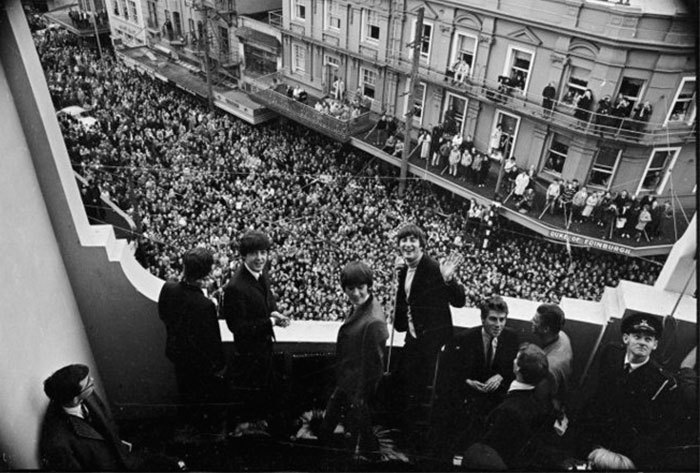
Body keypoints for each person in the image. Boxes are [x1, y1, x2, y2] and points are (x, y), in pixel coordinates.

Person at [576, 312, 678, 469]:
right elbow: (594, 390)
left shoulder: (661, 382)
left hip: (620, 445)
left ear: (655, 345)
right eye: (637, 337)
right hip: (591, 430)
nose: (642, 343)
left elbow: (652, 428)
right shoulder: (611, 353)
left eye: (648, 339)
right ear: (626, 339)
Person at [40, 364, 185, 471]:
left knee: (173, 463)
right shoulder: (58, 442)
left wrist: (117, 441)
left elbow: (106, 421)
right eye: (88, 383)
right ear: (75, 398)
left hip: (122, 455)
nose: (92, 381)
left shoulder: (86, 394)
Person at [393, 224, 465, 434]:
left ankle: (415, 437)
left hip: (432, 345)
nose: (408, 244)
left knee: (421, 392)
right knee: (405, 386)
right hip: (413, 338)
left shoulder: (434, 268)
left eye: (412, 240)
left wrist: (449, 279)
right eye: (403, 240)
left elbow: (459, 301)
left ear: (422, 244)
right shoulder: (405, 268)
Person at [429, 296, 520, 459]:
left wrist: (500, 376)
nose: (498, 325)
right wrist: (467, 382)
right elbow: (447, 371)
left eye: (502, 319)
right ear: (482, 319)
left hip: (495, 402)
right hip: (467, 400)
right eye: (493, 319)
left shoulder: (512, 338)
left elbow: (513, 367)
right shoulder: (463, 339)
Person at [222, 231, 290, 432]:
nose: (260, 258)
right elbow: (237, 327)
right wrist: (270, 322)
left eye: (263, 252)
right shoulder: (235, 287)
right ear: (244, 256)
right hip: (249, 355)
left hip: (263, 350)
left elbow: (267, 297)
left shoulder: (260, 272)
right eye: (254, 253)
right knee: (250, 398)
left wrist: (275, 311)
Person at [320, 261, 389, 459]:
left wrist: (360, 395)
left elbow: (375, 366)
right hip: (348, 380)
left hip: (357, 387)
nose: (356, 293)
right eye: (350, 288)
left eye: (361, 287)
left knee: (356, 433)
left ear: (369, 286)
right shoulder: (364, 306)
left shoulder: (373, 321)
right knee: (352, 426)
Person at [158, 247, 226, 433]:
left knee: (185, 392)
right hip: (200, 363)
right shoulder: (205, 305)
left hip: (177, 353)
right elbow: (212, 341)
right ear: (207, 273)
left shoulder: (168, 287)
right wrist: (220, 365)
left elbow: (163, 314)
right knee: (202, 397)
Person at [466, 343, 553, 469]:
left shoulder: (507, 411)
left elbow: (489, 450)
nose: (513, 360)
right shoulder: (540, 401)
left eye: (516, 358)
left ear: (518, 369)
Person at [531, 304, 573, 418]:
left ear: (546, 329)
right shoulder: (562, 336)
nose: (531, 321)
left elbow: (538, 398)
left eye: (535, 321)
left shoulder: (548, 367)